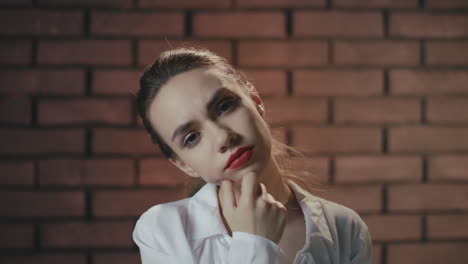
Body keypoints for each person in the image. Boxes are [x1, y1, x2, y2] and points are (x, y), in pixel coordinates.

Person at [132, 47, 373, 264]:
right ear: (184, 164)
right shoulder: (163, 230)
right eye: (192, 137)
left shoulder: (344, 227)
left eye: (224, 107)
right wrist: (254, 242)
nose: (223, 138)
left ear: (255, 101)